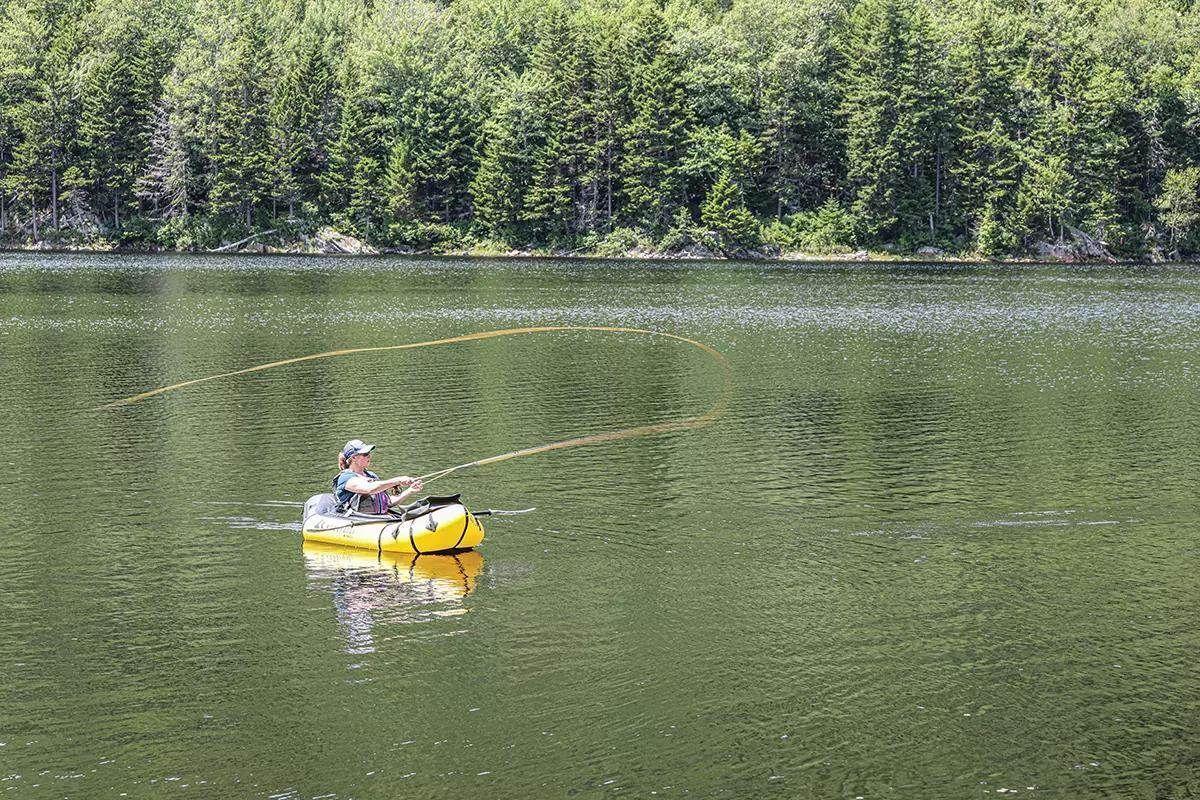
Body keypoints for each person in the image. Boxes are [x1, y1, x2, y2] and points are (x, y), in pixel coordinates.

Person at [333, 439, 424, 515]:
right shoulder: (345, 477)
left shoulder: (372, 476)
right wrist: (397, 480)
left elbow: (388, 503)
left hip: (378, 520)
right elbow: (369, 489)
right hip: (358, 522)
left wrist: (410, 490)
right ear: (353, 458)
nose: (369, 456)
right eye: (365, 454)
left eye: (369, 453)